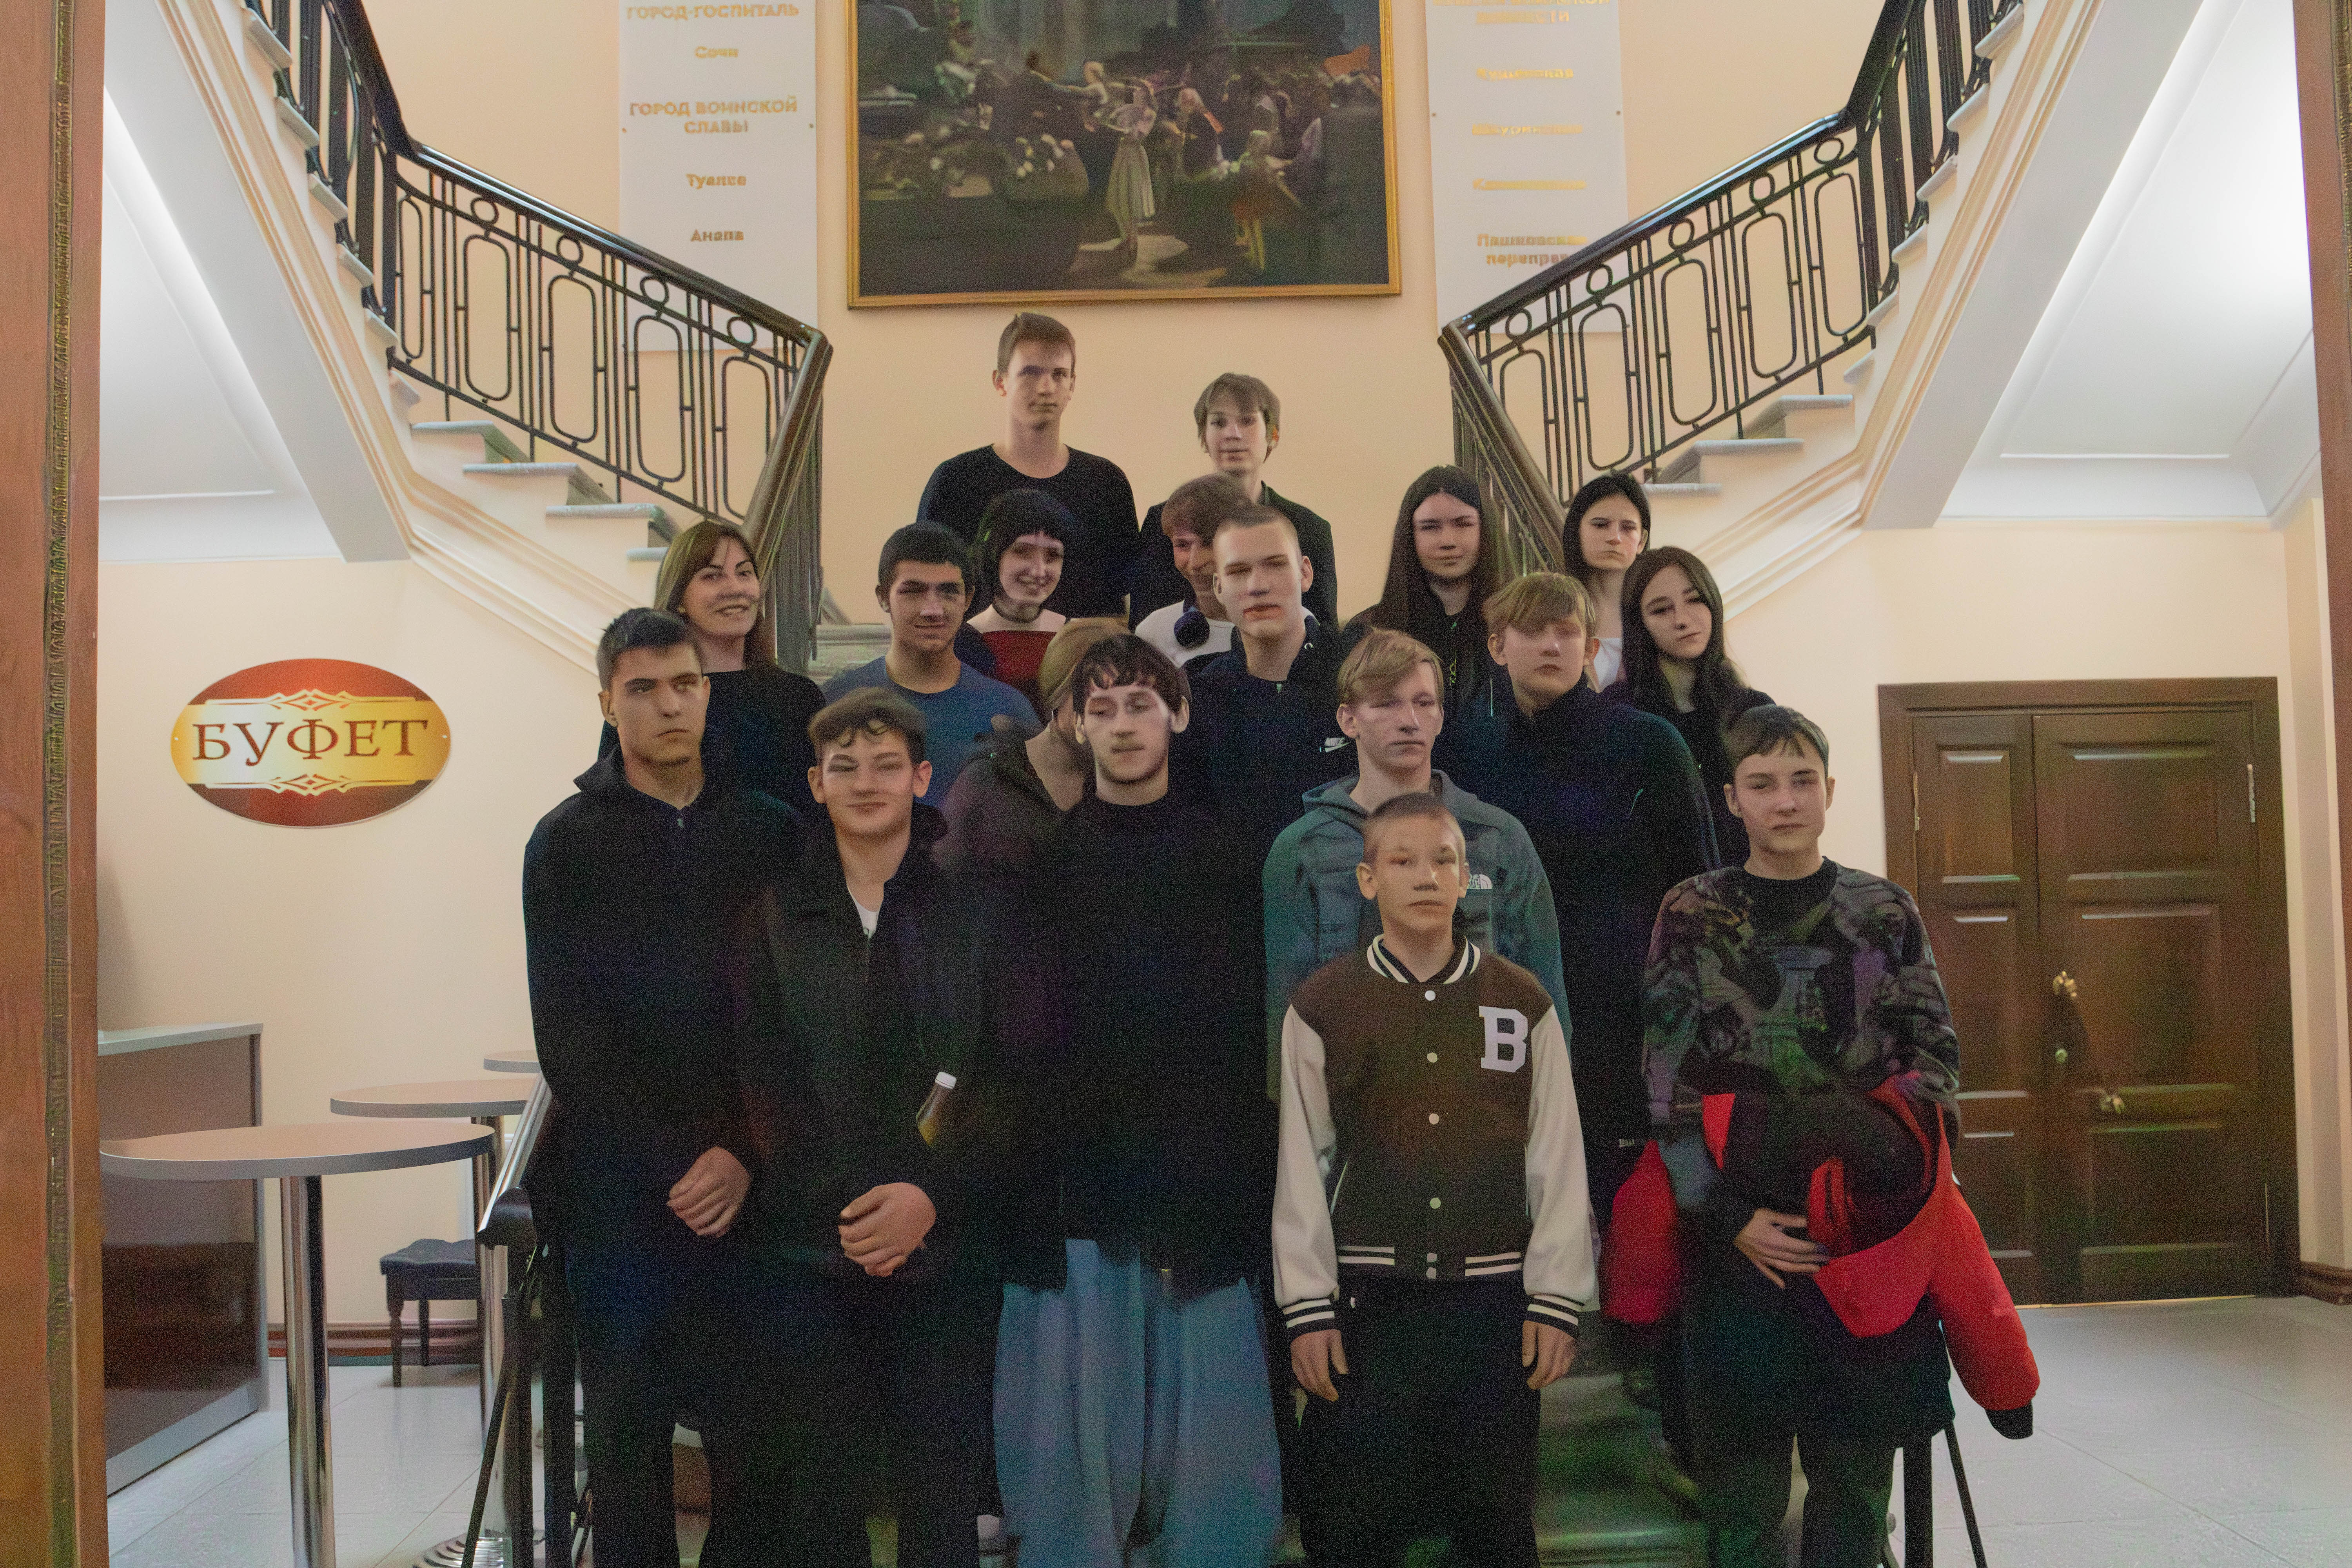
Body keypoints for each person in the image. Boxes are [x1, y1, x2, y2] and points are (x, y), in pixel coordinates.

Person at [1641, 706, 1963, 1568]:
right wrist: (1725, 1215)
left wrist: (1881, 1179)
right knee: (1743, 1502)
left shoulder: (1883, 909)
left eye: (1801, 781)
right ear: (1731, 799)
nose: (1784, 800)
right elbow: (1667, 1078)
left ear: (1829, 790)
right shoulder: (1692, 911)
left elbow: (1936, 1061)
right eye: (1762, 783)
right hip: (1740, 1241)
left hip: (1861, 1237)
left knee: (1855, 1491)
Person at [993, 634, 1283, 1568]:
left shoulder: (1229, 856)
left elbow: (1247, 1021)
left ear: (1179, 715)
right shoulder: (1048, 861)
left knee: (1208, 1402)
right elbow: (1032, 1029)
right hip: (1085, 1168)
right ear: (1078, 724)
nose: (1123, 724)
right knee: (1085, 1400)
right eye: (1103, 707)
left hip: (1202, 1160)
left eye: (1141, 703)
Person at [522, 608, 796, 1568]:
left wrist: (743, 1152)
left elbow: (793, 1016)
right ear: (608, 702)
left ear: (707, 691)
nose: (669, 704)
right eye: (642, 688)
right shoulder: (564, 843)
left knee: (755, 1439)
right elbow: (570, 1038)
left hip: (752, 1185)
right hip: (622, 1191)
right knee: (628, 1441)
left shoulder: (771, 831)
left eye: (684, 683)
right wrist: (678, 1160)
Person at [1274, 792, 1592, 1568]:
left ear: (1466, 876)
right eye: (1402, 860)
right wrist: (1307, 1309)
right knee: (1354, 1529)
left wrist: (1557, 1297)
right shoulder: (1322, 1006)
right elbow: (1303, 1167)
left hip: (1493, 1309)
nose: (1425, 875)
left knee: (1495, 1525)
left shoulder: (1522, 1001)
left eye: (1443, 860)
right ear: (1368, 878)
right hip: (1368, 1310)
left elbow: (1556, 1157)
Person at [724, 690, 997, 1568]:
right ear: (816, 785)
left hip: (946, 1248)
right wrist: (848, 1209)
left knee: (940, 1500)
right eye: (844, 767)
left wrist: (928, 1196)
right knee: (821, 1501)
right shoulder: (775, 914)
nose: (867, 782)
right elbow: (763, 1076)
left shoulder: (975, 910)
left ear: (922, 777)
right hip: (813, 1251)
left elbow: (1002, 1074)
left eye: (887, 764)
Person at [1453, 573, 1716, 1216]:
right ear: (1497, 645)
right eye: (1531, 630)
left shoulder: (1649, 744)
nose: (1551, 645)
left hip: (1623, 1021)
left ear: (1591, 648)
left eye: (1566, 632)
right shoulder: (1467, 751)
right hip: (1503, 1012)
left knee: (1621, 1215)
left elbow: (1699, 892)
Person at [1262, 628, 1566, 1097]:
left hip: (1483, 1103)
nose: (1409, 720)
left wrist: (1548, 1109)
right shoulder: (1302, 849)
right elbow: (1288, 1017)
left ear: (1441, 717)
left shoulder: (1498, 837)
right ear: (1348, 719)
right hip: (1353, 1105)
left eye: (1424, 703)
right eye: (1386, 704)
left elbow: (1545, 1003)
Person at [918, 313, 1141, 619]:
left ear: (1072, 385)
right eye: (1030, 373)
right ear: (1001, 382)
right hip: (975, 649)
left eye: (1059, 374)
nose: (1046, 388)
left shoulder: (1106, 483)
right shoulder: (956, 481)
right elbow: (925, 589)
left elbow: (1121, 603)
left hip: (1083, 650)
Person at [595, 519, 825, 813]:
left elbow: (821, 813)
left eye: (744, 573)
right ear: (679, 598)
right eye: (712, 577)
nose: (735, 589)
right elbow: (612, 806)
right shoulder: (642, 698)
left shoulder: (799, 697)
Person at [1177, 503, 1358, 864]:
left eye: (1275, 565)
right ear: (1218, 587)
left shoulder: (1357, 678)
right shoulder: (1199, 697)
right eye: (1238, 571)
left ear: (1305, 573)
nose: (1258, 586)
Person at [824, 523, 1037, 805]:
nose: (933, 610)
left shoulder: (1009, 710)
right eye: (913, 591)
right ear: (883, 597)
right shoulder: (837, 702)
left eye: (949, 592)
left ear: (968, 599)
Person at [936, 617, 1126, 906]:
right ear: (1058, 695)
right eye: (1101, 702)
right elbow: (941, 896)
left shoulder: (1136, 783)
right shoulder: (989, 781)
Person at [1131, 374, 1339, 629]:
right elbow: (1143, 627)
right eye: (1219, 423)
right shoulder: (1164, 521)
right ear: (1203, 437)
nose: (1233, 434)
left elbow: (1324, 637)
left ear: (1272, 435)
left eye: (1247, 421)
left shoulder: (1309, 528)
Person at [1609, 546, 1775, 864]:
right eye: (1661, 610)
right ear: (1639, 623)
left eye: (1695, 600)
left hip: (1742, 885)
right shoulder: (1619, 713)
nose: (1682, 620)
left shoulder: (1754, 711)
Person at [1348, 466, 1506, 775]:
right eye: (1430, 527)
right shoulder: (1368, 632)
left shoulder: (1516, 629)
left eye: (1463, 524)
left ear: (1485, 530)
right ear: (1410, 536)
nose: (1448, 541)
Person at [964, 489, 1079, 709]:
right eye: (1023, 552)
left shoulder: (1077, 637)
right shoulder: (962, 641)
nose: (1039, 571)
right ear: (993, 555)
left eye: (1053, 556)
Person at [1133, 472, 1246, 668]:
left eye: (1209, 544)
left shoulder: (1293, 625)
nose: (1195, 563)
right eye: (1182, 545)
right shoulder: (1153, 632)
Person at [1561, 472, 1651, 693]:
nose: (1615, 538)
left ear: (1642, 541)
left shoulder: (1656, 613)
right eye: (1601, 525)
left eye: (1628, 528)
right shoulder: (1552, 610)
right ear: (1577, 532)